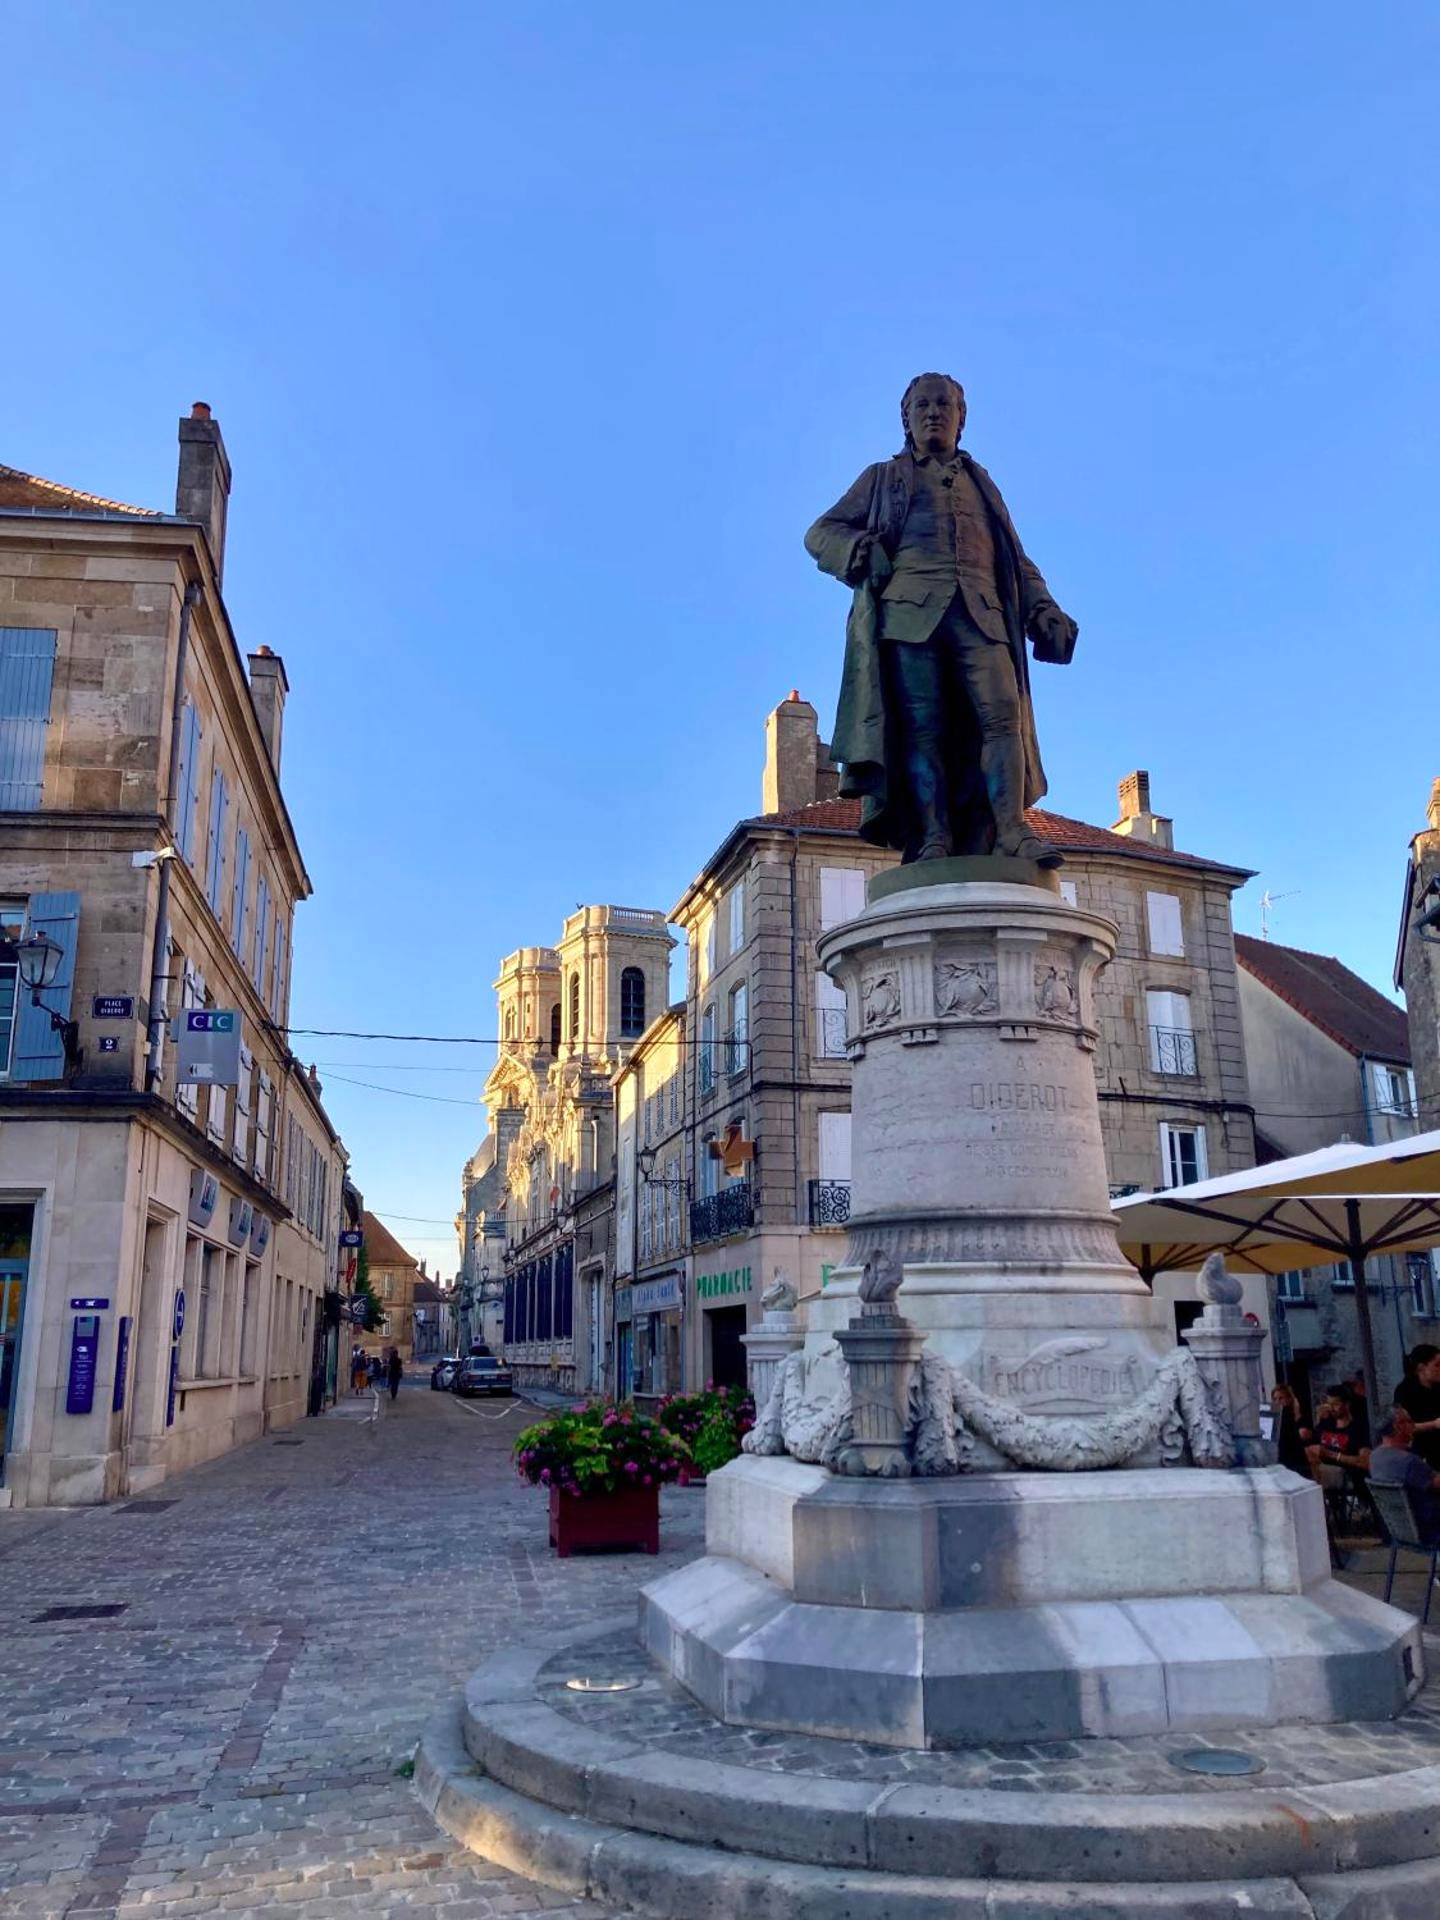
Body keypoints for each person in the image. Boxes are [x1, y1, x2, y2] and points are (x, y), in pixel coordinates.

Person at [806, 373, 1079, 867]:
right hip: (909, 619)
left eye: (944, 405)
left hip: (983, 616)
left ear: (961, 418)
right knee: (922, 730)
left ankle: (1012, 831)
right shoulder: (882, 478)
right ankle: (933, 836)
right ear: (907, 421)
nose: (934, 413)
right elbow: (821, 533)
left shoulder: (982, 484)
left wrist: (1043, 608)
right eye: (922, 406)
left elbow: (1014, 560)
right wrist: (859, 549)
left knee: (1003, 719)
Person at [1368, 1409, 1440, 1541]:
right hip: (1428, 1527)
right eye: (1410, 1422)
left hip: (1399, 1529)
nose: (1413, 1426)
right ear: (1398, 1426)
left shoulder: (1375, 1457)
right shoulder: (1408, 1461)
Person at [1394, 1345, 1440, 1469]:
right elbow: (1401, 1428)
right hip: (1422, 1450)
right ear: (1421, 1368)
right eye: (1437, 1365)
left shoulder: (1437, 1387)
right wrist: (1433, 1424)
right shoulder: (1404, 1391)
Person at [1269, 1383, 1311, 1476]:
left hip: (1297, 1461)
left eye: (1281, 1398)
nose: (1277, 1402)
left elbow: (1303, 1435)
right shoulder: (1275, 1419)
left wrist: (1297, 1413)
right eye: (1275, 1399)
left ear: (1289, 1399)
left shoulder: (1297, 1416)